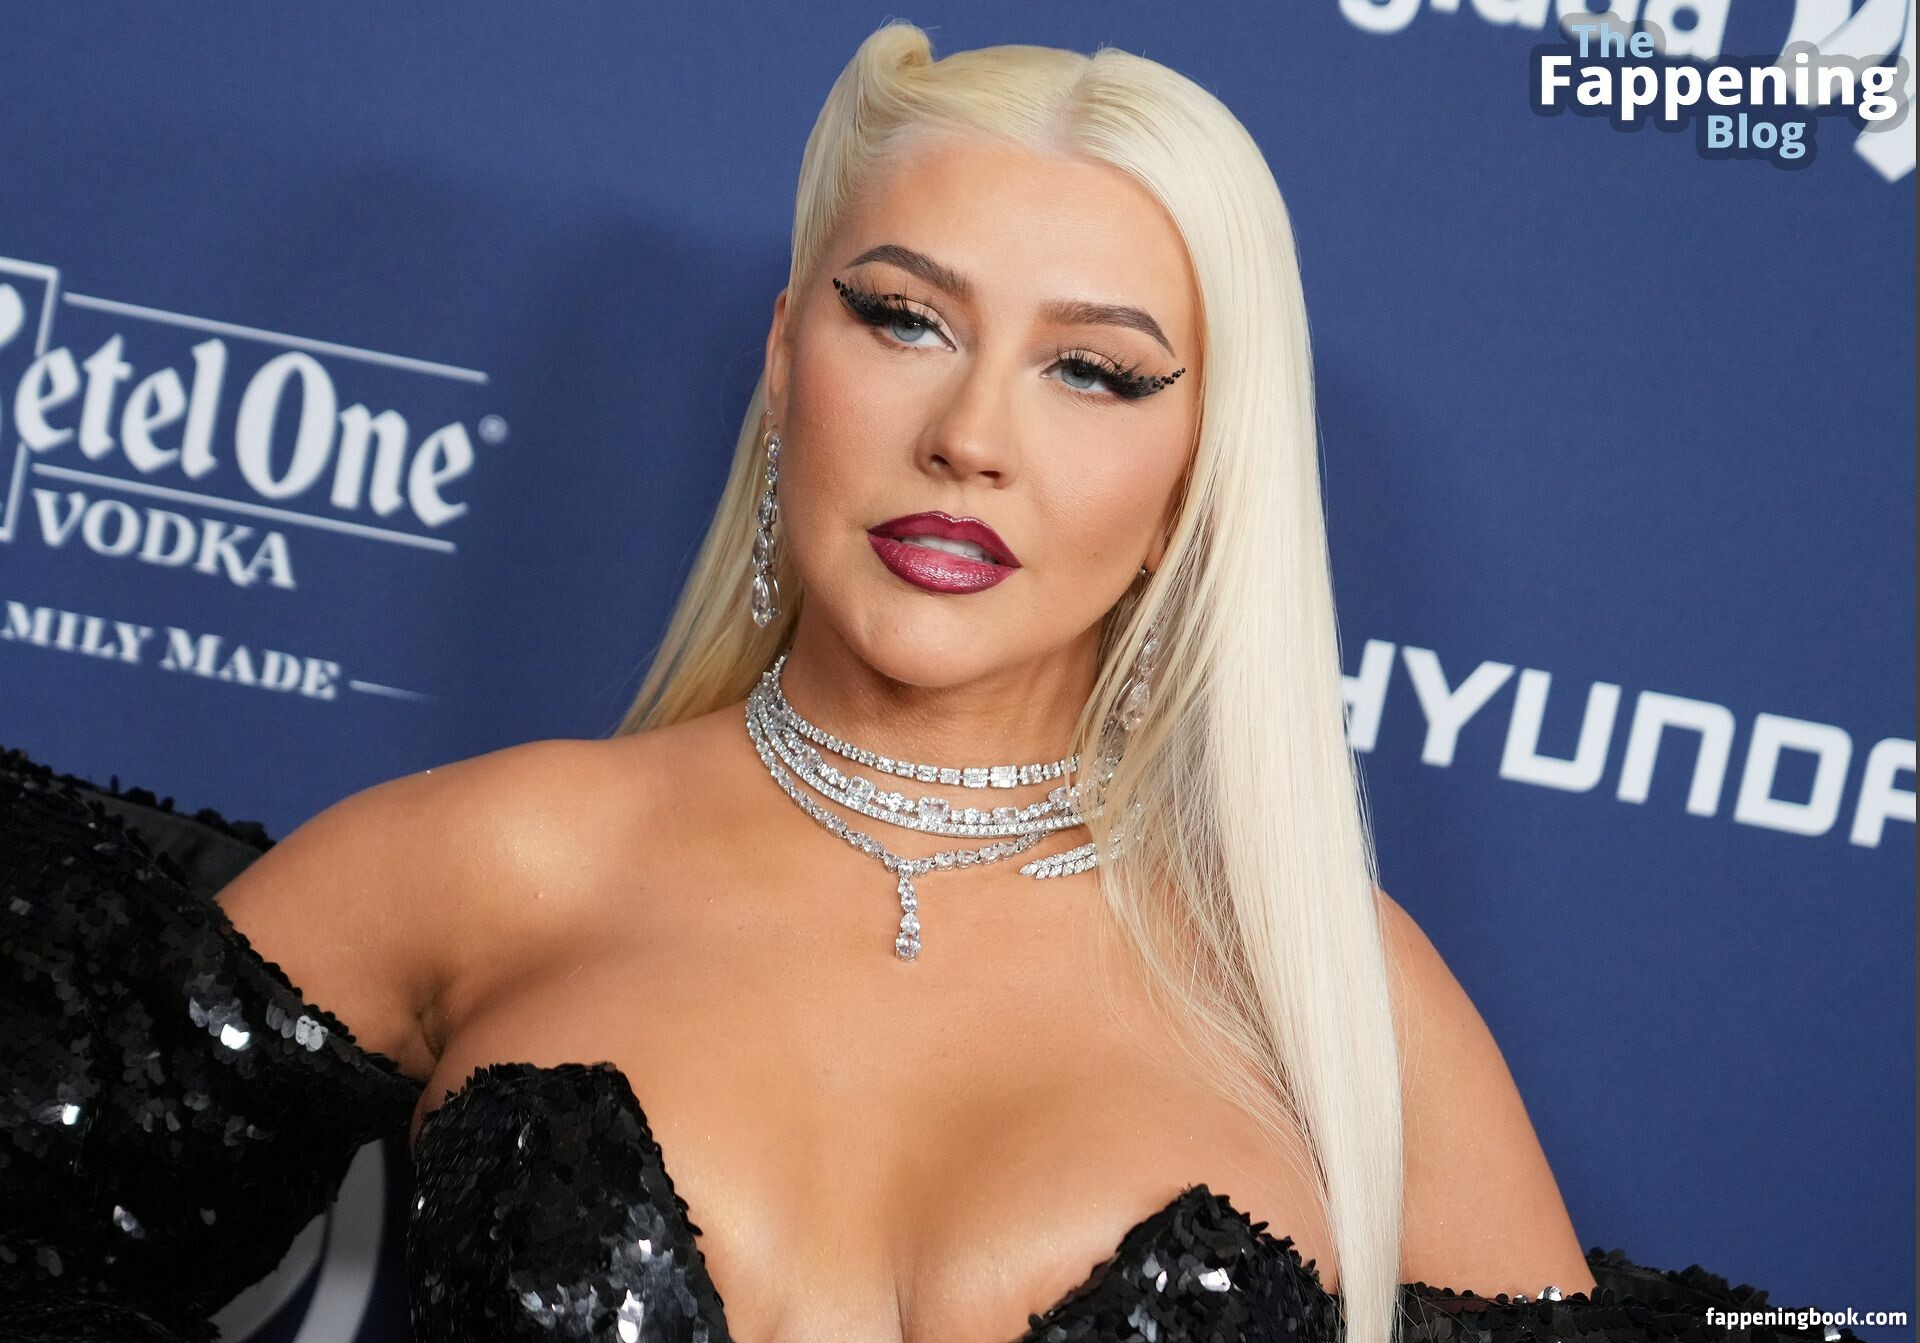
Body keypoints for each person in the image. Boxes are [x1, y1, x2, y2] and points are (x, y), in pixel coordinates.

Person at [0, 21, 1864, 1343]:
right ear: (785, 363)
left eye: (1095, 371)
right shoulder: (493, 861)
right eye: (904, 318)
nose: (972, 434)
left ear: (1200, 477)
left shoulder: (1327, 988)